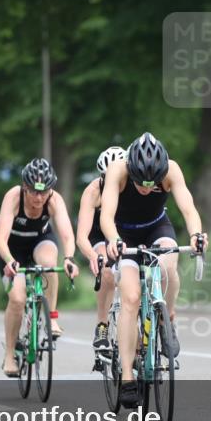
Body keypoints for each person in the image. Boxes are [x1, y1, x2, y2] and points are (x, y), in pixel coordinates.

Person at [101, 132, 208, 408]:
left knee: (167, 265)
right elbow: (106, 216)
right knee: (131, 298)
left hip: (157, 227)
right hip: (125, 235)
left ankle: (166, 318)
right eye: (141, 183)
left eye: (152, 184)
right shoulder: (118, 171)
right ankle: (127, 376)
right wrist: (113, 240)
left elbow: (188, 208)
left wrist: (197, 234)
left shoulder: (171, 170)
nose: (147, 188)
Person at [0, 158, 80, 377]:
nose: (39, 198)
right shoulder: (13, 197)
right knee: (17, 299)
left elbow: (68, 235)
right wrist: (9, 261)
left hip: (39, 241)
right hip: (12, 249)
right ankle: (9, 356)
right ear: (25, 187)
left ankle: (51, 317)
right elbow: (0, 240)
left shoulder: (54, 200)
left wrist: (69, 258)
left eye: (44, 193)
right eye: (33, 192)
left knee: (50, 264)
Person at [75, 146, 127, 353]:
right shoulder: (93, 191)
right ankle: (102, 325)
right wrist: (93, 256)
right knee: (107, 271)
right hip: (99, 235)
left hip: (125, 230)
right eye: (106, 176)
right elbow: (81, 236)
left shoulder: (133, 187)